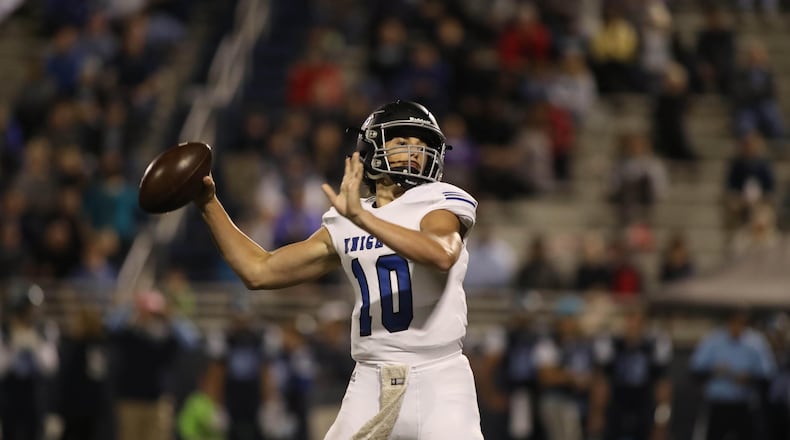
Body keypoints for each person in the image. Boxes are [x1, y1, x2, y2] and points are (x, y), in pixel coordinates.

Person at [193, 100, 483, 439]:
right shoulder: (347, 220)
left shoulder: (440, 200)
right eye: (402, 142)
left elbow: (441, 253)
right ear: (372, 149)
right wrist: (208, 203)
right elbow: (259, 270)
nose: (415, 152)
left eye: (422, 145)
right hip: (370, 379)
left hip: (439, 377)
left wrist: (364, 219)